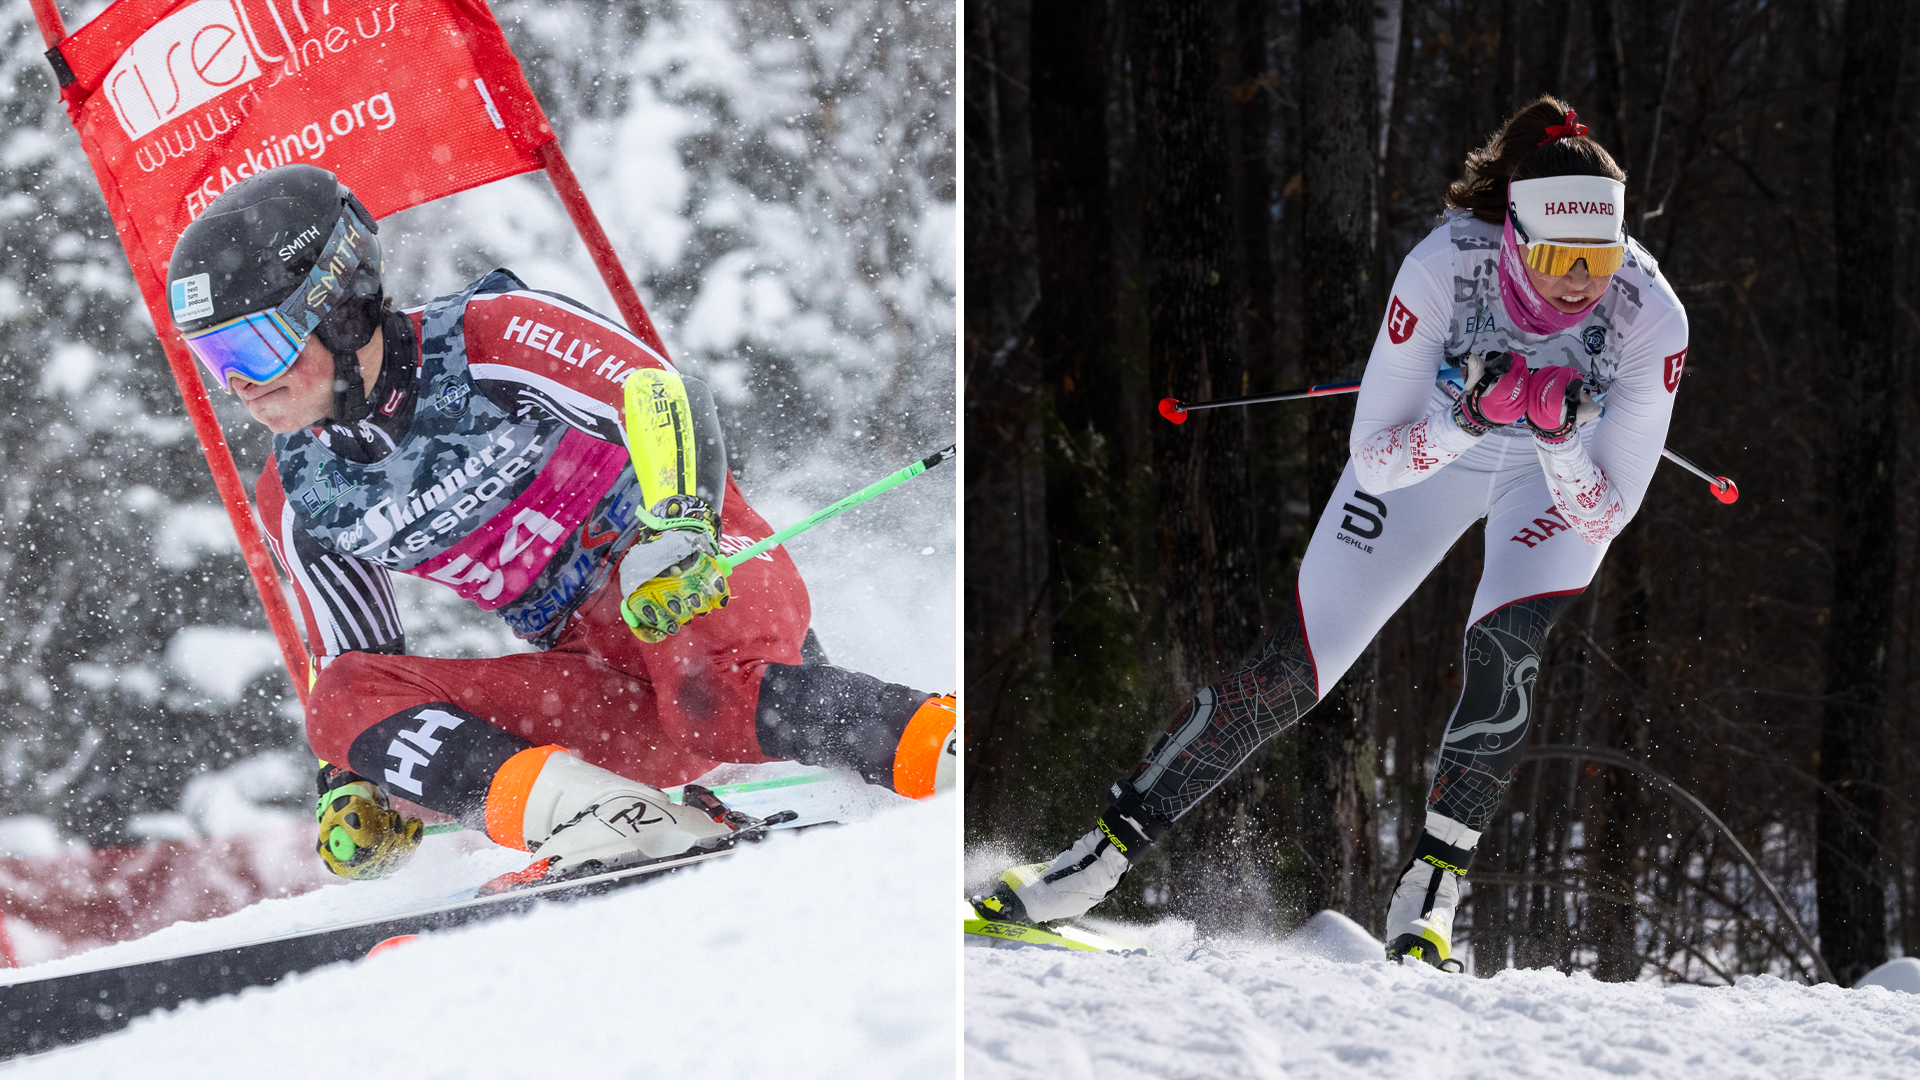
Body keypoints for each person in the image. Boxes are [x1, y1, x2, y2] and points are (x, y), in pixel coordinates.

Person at [973, 96, 1687, 970]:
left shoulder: (1653, 316)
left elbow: (1606, 514)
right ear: (1513, 234)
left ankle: (1427, 904)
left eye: (1601, 257)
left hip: (1551, 474)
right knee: (1291, 671)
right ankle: (1085, 869)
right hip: (1430, 453)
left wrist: (1560, 436)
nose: (1582, 282)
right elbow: (1379, 458)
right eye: (1557, 258)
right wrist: (1469, 414)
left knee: (1508, 651)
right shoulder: (1440, 269)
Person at [166, 164, 956, 882]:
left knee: (711, 694)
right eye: (215, 359)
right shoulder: (301, 492)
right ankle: (605, 817)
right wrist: (361, 782)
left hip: (699, 589)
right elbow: (363, 669)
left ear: (338, 309)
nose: (241, 383)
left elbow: (661, 395)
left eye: (255, 346)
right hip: (604, 689)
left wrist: (680, 528)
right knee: (336, 705)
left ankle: (959, 754)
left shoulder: (490, 338)